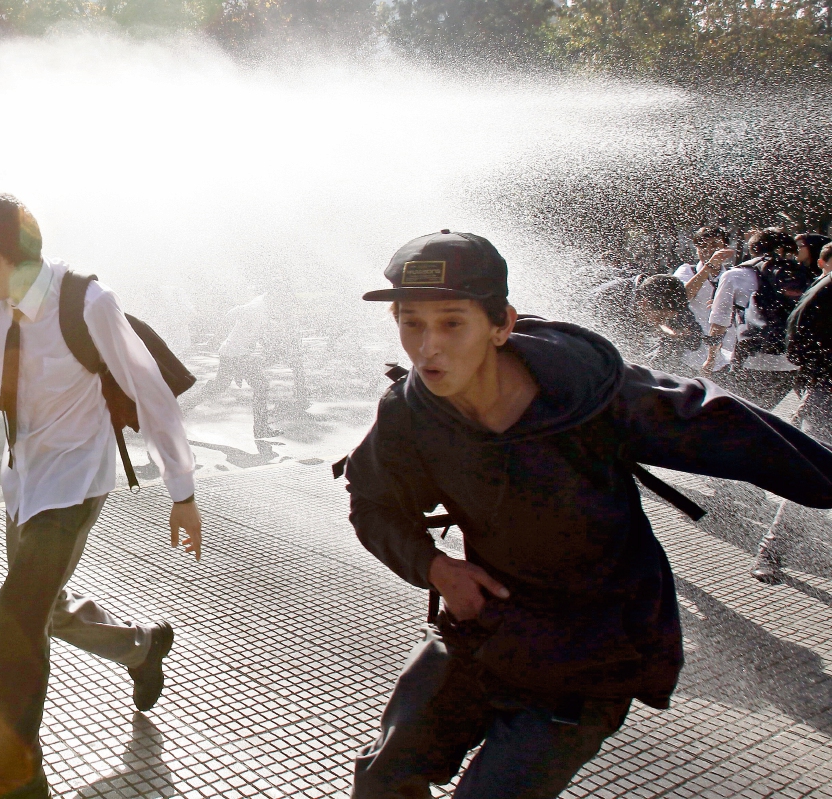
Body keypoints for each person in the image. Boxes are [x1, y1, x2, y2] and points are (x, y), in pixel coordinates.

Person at [343, 230, 832, 798]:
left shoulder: (590, 394)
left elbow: (730, 425)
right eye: (411, 323)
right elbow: (372, 502)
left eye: (452, 322)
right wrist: (435, 568)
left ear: (501, 323)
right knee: (382, 780)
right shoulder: (410, 410)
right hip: (482, 630)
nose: (428, 348)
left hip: (591, 652)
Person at [0, 194, 203, 799]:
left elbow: (149, 390)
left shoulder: (88, 302)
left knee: (16, 622)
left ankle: (20, 782)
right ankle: (141, 645)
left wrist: (181, 491)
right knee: (43, 610)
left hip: (74, 486)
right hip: (23, 484)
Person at [752, 239, 832, 582]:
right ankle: (773, 550)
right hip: (828, 395)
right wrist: (820, 374)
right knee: (818, 471)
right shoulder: (828, 290)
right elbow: (798, 337)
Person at [704, 228, 810, 408]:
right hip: (790, 364)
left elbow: (719, 321)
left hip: (752, 361)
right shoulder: (800, 276)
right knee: (764, 415)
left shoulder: (735, 275)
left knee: (740, 417)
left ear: (753, 249)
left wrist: (711, 358)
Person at [180, 289, 282, 438]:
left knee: (219, 386)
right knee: (261, 386)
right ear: (273, 297)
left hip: (233, 352)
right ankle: (261, 429)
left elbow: (253, 331)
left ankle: (181, 410)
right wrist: (216, 337)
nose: (281, 305)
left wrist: (264, 344)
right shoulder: (256, 308)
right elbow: (231, 314)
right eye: (280, 300)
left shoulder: (263, 306)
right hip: (236, 353)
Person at [673, 226, 737, 370]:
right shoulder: (687, 270)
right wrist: (708, 267)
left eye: (715, 245)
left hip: (726, 355)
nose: (708, 250)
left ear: (725, 248)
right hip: (691, 354)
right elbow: (682, 297)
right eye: (702, 245)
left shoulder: (733, 275)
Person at [634, 274, 704, 375]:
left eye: (668, 318)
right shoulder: (612, 299)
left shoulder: (673, 303)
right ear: (644, 304)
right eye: (661, 318)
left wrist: (681, 335)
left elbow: (695, 342)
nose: (663, 322)